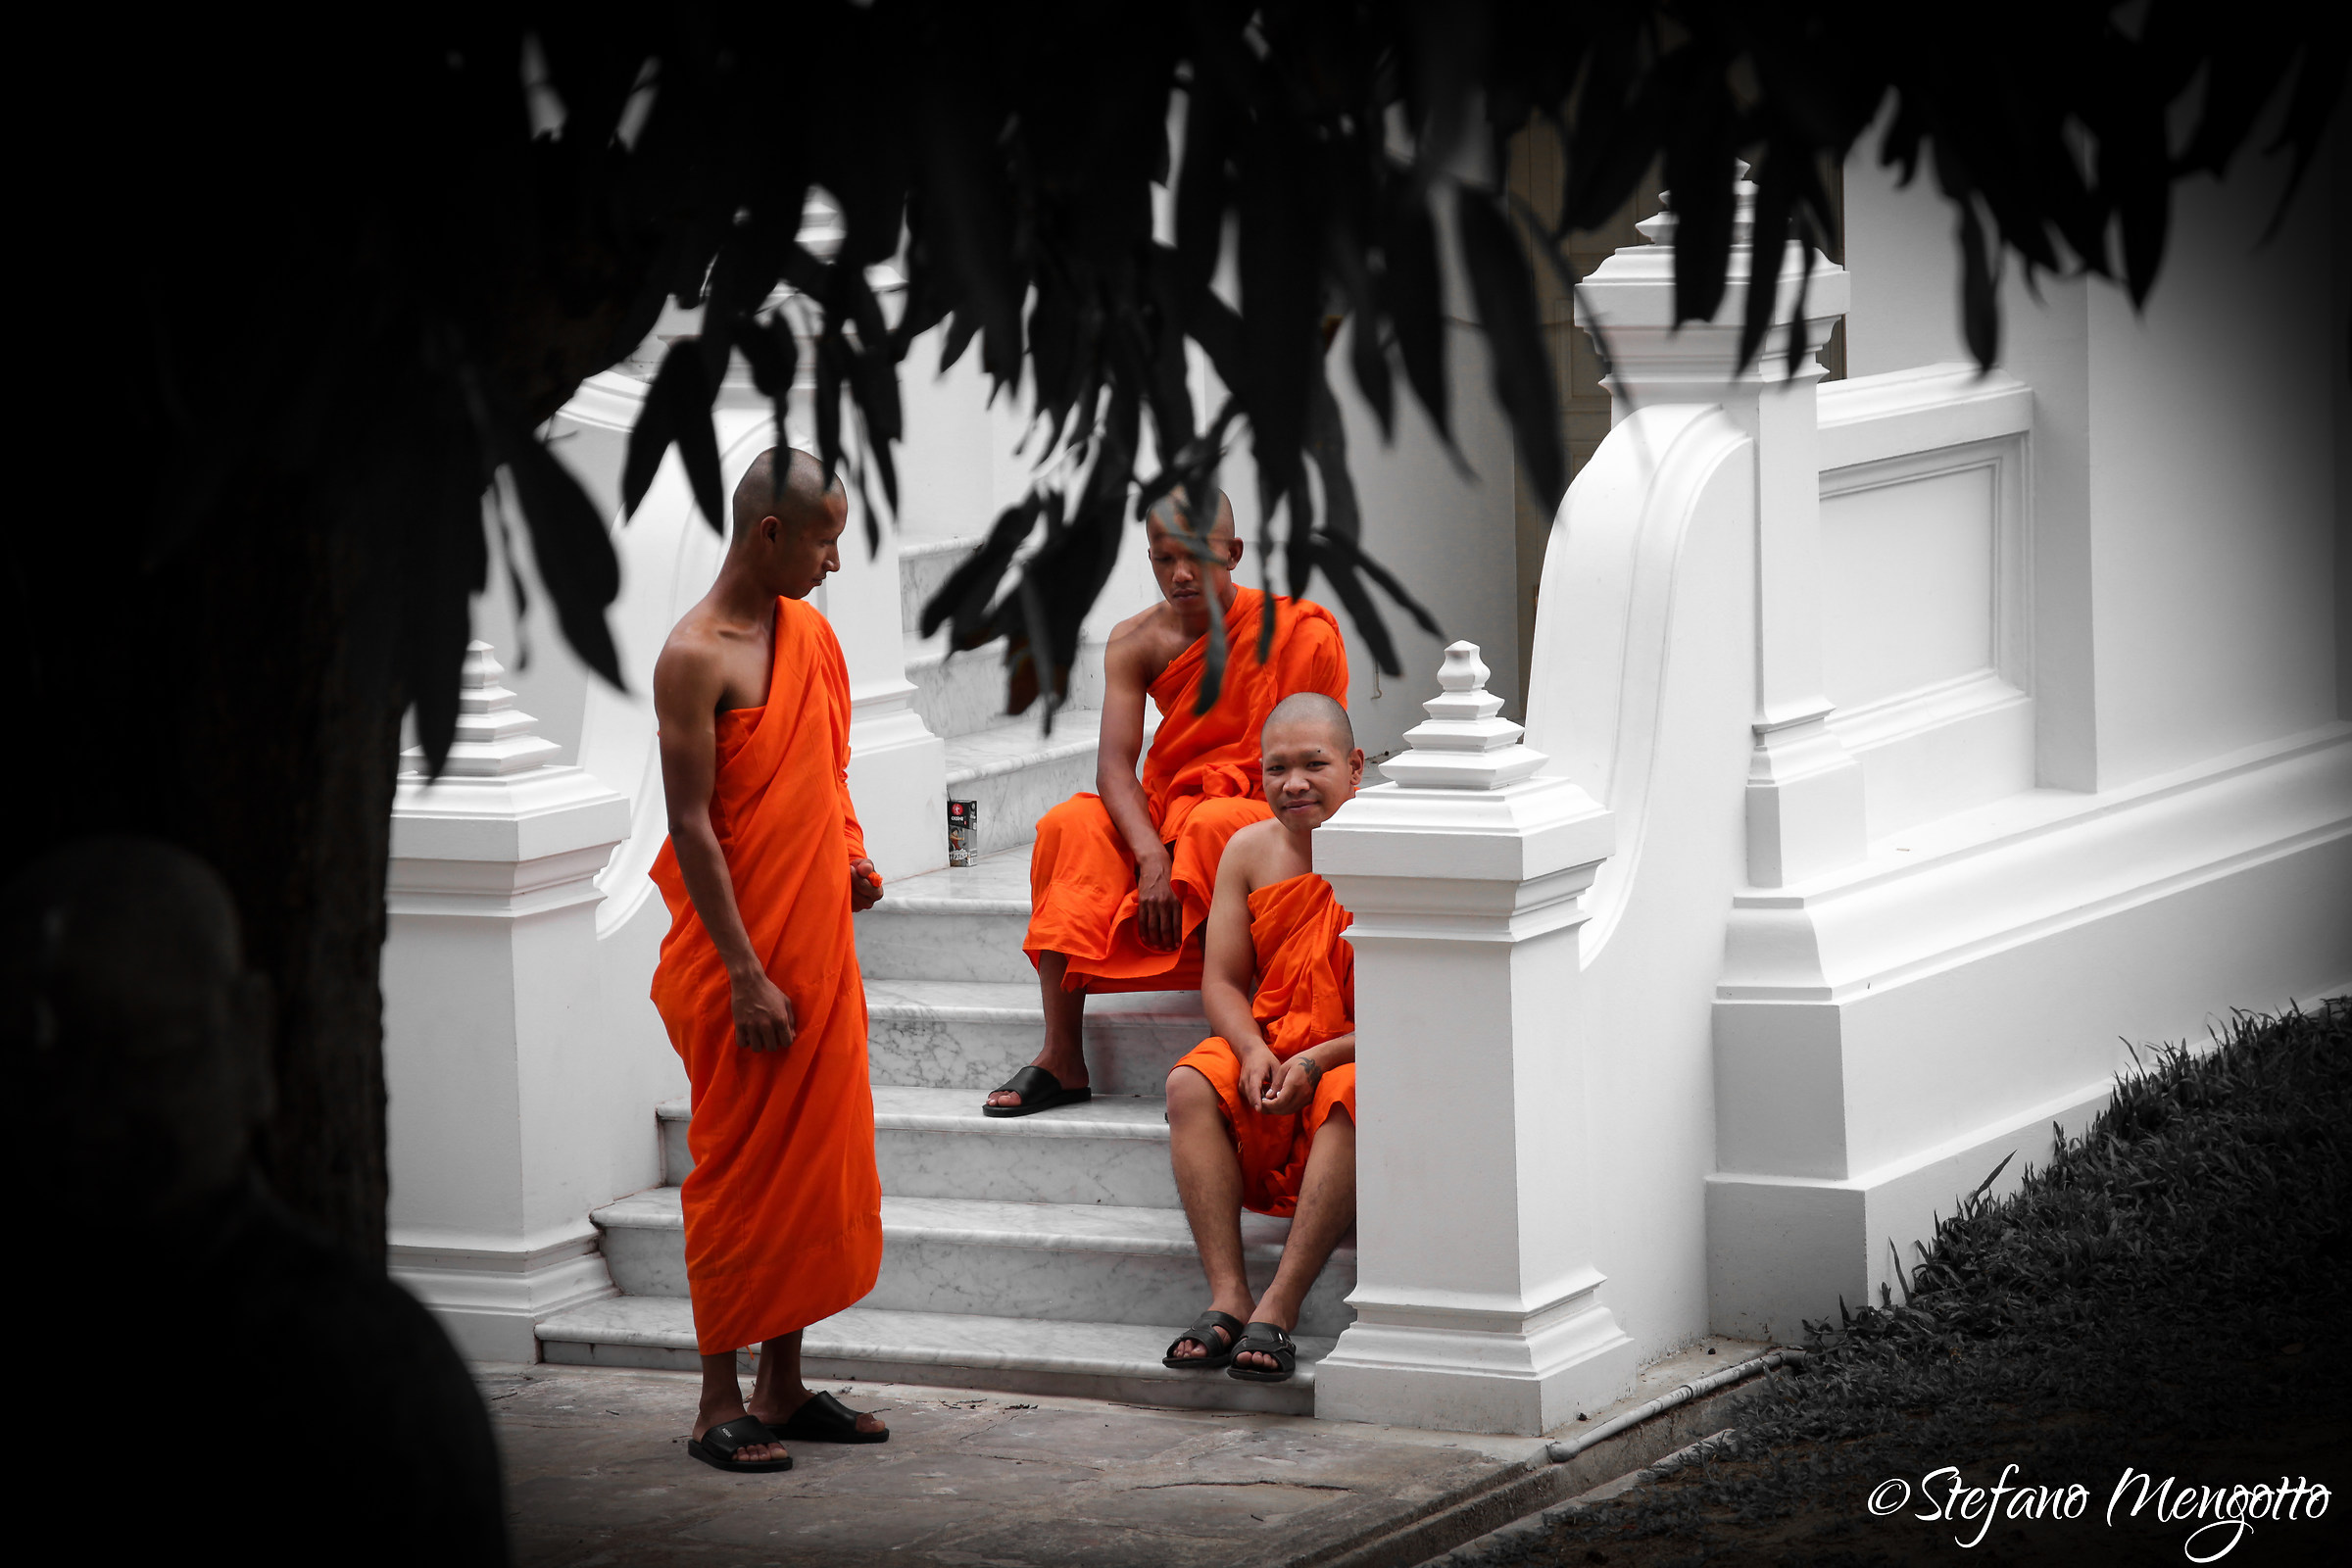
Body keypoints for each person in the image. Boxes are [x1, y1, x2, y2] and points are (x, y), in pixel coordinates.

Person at [4, 839, 508, 1561]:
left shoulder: (358, 1372)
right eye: (37, 1066)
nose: (91, 1111)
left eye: (150, 1051)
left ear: (250, 1038)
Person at [650, 448, 890, 1472]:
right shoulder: (696, 653)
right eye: (825, 538)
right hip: (737, 958)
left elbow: (826, 772)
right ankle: (716, 1400)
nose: (835, 560)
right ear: (769, 535)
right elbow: (695, 826)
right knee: (739, 1170)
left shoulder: (816, 639)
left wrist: (849, 855)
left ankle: (781, 1385)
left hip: (819, 949)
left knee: (812, 1167)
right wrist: (744, 972)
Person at [986, 491, 1349, 1115]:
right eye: (1163, 559)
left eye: (1197, 558)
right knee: (1065, 825)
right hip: (1169, 803)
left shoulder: (1298, 630)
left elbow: (1317, 759)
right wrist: (1151, 856)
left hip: (1260, 803)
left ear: (1233, 554)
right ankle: (1061, 1056)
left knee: (1217, 826)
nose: (1180, 575)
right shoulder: (1135, 641)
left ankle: (1241, 1031)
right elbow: (1113, 769)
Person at [1160, 694, 1361, 1383]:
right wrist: (1250, 1048)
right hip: (1274, 1042)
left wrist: (1317, 1057)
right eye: (1277, 768)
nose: (1294, 783)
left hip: (1360, 1047)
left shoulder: (1392, 847)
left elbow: (1416, 1004)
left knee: (1350, 1093)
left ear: (1355, 768)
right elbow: (1220, 981)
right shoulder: (1248, 851)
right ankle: (1228, 1295)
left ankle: (1280, 1302)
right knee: (1190, 1079)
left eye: (1315, 764)